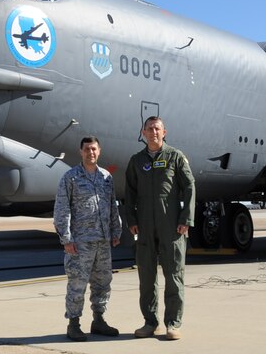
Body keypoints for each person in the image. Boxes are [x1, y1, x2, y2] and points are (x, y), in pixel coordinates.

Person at [124, 116, 195, 340]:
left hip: (171, 226)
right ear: (143, 133)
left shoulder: (175, 157)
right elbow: (129, 193)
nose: (153, 132)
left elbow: (189, 186)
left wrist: (186, 218)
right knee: (146, 277)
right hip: (145, 226)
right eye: (149, 129)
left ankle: (173, 324)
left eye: (157, 129)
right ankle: (149, 322)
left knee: (174, 275)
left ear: (164, 132)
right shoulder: (136, 161)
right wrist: (131, 220)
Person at [54, 136, 122, 342]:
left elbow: (113, 206)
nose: (90, 153)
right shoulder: (71, 177)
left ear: (99, 151)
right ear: (81, 152)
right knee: (77, 283)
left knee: (103, 282)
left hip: (103, 241)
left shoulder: (106, 177)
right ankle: (73, 324)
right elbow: (62, 209)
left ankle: (99, 320)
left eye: (93, 149)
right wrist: (66, 238)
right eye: (86, 149)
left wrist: (116, 231)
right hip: (80, 242)